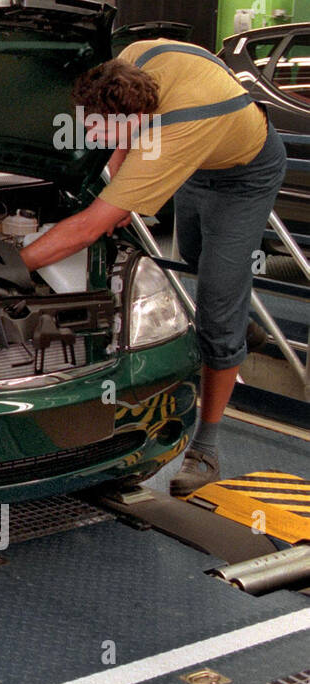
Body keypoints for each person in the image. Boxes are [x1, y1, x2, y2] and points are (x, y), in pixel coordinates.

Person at [20, 38, 287, 496]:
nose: (92, 138)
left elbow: (88, 230)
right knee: (195, 259)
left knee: (217, 303)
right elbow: (125, 147)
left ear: (140, 120)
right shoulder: (137, 57)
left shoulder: (174, 133)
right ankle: (240, 321)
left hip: (243, 173)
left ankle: (206, 446)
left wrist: (8, 266)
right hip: (198, 159)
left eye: (103, 131)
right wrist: (124, 186)